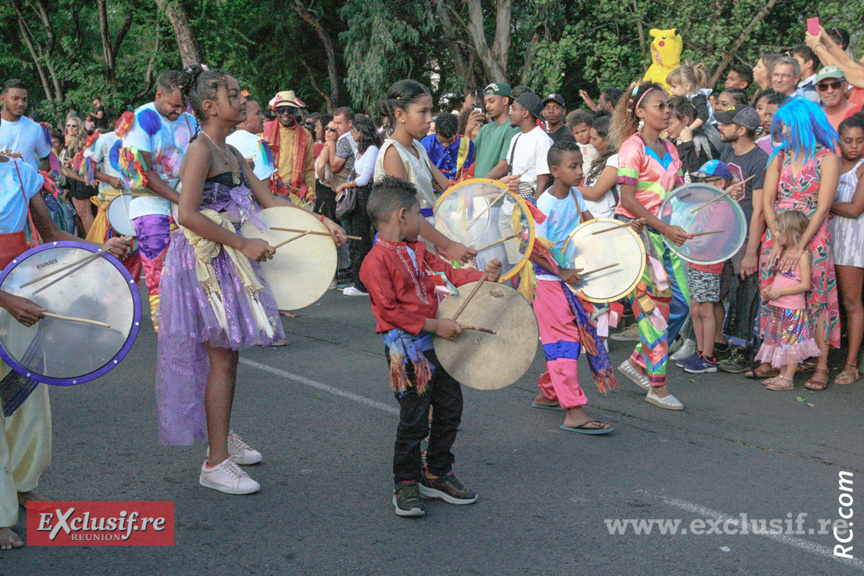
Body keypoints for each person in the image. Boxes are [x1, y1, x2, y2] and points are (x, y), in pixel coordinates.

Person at [154, 66, 345, 495]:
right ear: (210, 106)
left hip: (228, 258)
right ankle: (215, 463)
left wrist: (320, 222)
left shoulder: (232, 152)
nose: (243, 101)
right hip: (206, 262)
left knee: (229, 356)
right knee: (221, 358)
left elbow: (270, 200)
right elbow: (187, 215)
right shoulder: (200, 150)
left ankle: (221, 440)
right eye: (235, 95)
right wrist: (242, 243)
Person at [0, 113, 130, 549]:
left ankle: (23, 485)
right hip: (9, 301)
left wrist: (98, 249)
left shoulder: (21, 172)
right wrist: (5, 300)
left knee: (27, 397)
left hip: (22, 295)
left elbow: (52, 233)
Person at [359, 176, 501, 517]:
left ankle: (438, 473)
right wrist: (437, 325)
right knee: (414, 419)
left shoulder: (419, 250)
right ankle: (406, 482)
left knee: (450, 409)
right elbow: (390, 313)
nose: (421, 222)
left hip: (438, 345)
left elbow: (450, 275)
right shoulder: (374, 262)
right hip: (407, 353)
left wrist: (483, 277)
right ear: (402, 216)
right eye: (418, 215)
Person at [612, 82, 689, 410]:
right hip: (639, 235)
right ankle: (658, 387)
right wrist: (665, 227)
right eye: (660, 106)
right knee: (654, 312)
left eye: (669, 106)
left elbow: (679, 192)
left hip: (664, 236)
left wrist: (715, 194)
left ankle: (639, 361)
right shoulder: (632, 147)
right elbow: (628, 199)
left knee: (681, 304)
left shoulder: (670, 148)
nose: (667, 111)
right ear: (640, 112)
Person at [754, 98, 840, 391]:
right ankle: (776, 360)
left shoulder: (827, 158)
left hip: (812, 236)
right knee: (773, 296)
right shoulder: (779, 156)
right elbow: (768, 201)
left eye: (788, 124)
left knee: (815, 299)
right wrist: (779, 238)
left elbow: (823, 207)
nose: (783, 129)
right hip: (778, 233)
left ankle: (821, 365)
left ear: (804, 124)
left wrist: (798, 245)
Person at [529, 141, 614, 434]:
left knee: (569, 342)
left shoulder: (576, 194)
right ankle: (574, 411)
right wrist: (561, 271)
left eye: (580, 165)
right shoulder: (544, 205)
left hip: (569, 281)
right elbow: (530, 249)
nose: (580, 171)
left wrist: (625, 231)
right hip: (548, 283)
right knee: (564, 343)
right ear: (555, 171)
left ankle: (548, 392)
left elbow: (591, 226)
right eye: (573, 166)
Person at [122, 70, 196, 331]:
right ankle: (167, 334)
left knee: (188, 274)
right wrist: (183, 201)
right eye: (174, 106)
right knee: (159, 275)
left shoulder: (190, 120)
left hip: (182, 205)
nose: (179, 112)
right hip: (151, 207)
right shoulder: (141, 119)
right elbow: (143, 174)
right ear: (159, 94)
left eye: (183, 106)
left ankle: (189, 331)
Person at [374, 79, 474, 263]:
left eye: (430, 111)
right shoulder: (393, 153)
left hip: (425, 236)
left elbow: (448, 186)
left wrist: (490, 188)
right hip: (405, 245)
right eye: (422, 112)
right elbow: (405, 212)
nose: (429, 119)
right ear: (400, 115)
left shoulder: (418, 147)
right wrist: (449, 245)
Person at [712, 105, 769, 374]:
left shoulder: (760, 160)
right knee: (719, 290)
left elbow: (759, 211)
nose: (720, 127)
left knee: (745, 291)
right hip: (724, 231)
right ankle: (720, 344)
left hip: (745, 234)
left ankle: (743, 350)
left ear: (742, 129)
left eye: (726, 124)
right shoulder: (727, 151)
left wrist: (751, 252)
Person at [676, 161, 742, 374]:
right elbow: (693, 230)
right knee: (695, 309)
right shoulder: (708, 205)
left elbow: (704, 242)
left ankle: (708, 356)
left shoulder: (723, 208)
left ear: (721, 183)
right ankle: (700, 352)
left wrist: (689, 241)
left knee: (705, 309)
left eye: (706, 181)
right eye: (700, 181)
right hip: (695, 261)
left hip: (709, 264)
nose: (701, 185)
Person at [754, 210, 820, 391]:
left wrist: (780, 292)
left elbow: (805, 284)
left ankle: (788, 378)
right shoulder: (784, 253)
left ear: (794, 233)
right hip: (778, 307)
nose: (776, 234)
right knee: (780, 341)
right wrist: (770, 289)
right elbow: (782, 276)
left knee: (792, 343)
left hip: (792, 308)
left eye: (780, 231)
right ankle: (782, 374)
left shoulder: (802, 256)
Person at [828, 114, 864, 385]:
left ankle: (851, 365)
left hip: (852, 240)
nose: (854, 146)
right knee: (826, 300)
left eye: (860, 141)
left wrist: (825, 205)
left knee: (851, 301)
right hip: (828, 236)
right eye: (848, 140)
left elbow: (854, 209)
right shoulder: (832, 163)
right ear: (838, 140)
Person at [335, 115, 381, 296]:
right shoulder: (360, 151)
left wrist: (345, 185)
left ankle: (362, 284)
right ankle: (359, 280)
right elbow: (356, 175)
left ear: (361, 132)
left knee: (361, 240)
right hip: (355, 197)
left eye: (354, 131)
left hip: (364, 198)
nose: (352, 134)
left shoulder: (372, 150)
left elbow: (364, 179)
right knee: (354, 240)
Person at [262, 90, 315, 203]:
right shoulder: (264, 130)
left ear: (296, 112)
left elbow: (309, 169)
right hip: (269, 194)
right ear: (276, 112)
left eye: (290, 110)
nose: (285, 113)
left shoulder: (305, 135)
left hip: (295, 194)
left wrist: (311, 193)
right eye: (281, 110)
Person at [503, 92, 553, 200]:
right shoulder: (516, 137)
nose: (510, 113)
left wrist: (535, 207)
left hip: (527, 206)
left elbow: (543, 181)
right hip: (509, 205)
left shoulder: (542, 140)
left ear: (525, 113)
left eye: (514, 109)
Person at [465, 82, 519, 179]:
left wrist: (483, 184)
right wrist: (468, 131)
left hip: (496, 186)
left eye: (491, 101)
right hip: (481, 185)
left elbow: (503, 166)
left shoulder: (512, 128)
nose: (487, 106)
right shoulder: (485, 128)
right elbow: (467, 158)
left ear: (505, 100)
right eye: (485, 103)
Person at [59, 116, 98, 235]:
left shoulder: (83, 141)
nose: (71, 128)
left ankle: (93, 240)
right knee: (80, 214)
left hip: (82, 181)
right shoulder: (67, 140)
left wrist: (73, 162)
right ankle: (89, 239)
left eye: (74, 126)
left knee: (85, 213)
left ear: (80, 127)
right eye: (68, 125)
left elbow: (90, 161)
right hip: (72, 181)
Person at [0, 80, 50, 171]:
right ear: (2, 99)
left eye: (24, 100)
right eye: (15, 99)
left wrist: (37, 177)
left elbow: (46, 158)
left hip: (27, 180)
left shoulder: (35, 128)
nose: (21, 104)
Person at [226, 98, 276, 188]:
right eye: (258, 113)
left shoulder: (225, 142)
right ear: (244, 119)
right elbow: (268, 183)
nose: (263, 117)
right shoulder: (259, 143)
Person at [577, 115, 619, 219]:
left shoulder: (615, 159)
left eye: (594, 139)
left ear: (608, 139)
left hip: (605, 221)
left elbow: (595, 193)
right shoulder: (602, 159)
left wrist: (567, 188)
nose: (590, 142)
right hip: (593, 219)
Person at [419, 112, 474, 181]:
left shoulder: (466, 144)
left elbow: (465, 171)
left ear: (457, 130)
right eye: (441, 141)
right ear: (435, 130)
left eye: (450, 141)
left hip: (456, 185)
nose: (445, 145)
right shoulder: (427, 143)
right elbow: (423, 169)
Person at [667, 64, 713, 134]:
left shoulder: (698, 99)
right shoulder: (686, 98)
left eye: (674, 87)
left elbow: (703, 115)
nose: (671, 90)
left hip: (709, 131)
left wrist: (689, 129)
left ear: (687, 86)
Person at [329, 106, 357, 189]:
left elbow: (334, 168)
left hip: (347, 184)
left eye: (339, 123)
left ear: (350, 123)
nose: (335, 127)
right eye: (335, 123)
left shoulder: (346, 140)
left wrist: (331, 145)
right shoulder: (357, 135)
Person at [566, 110, 598, 179]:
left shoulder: (597, 144)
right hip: (581, 178)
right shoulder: (574, 148)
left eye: (583, 131)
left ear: (591, 128)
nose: (580, 135)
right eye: (576, 133)